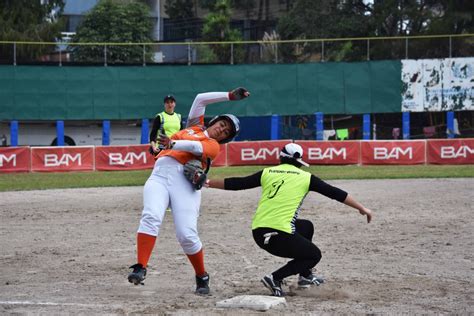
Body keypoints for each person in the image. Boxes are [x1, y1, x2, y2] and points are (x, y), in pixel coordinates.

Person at [207, 142, 373, 297]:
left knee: (306, 226)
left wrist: (206, 182)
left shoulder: (268, 172)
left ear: (281, 159)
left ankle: (305, 276)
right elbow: (335, 193)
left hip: (259, 232)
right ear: (299, 162)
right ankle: (275, 278)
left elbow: (237, 183)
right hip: (277, 237)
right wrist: (361, 208)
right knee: (314, 255)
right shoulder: (306, 177)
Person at [128, 87, 250, 295]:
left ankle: (202, 275)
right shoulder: (195, 126)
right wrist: (229, 96)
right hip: (160, 174)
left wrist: (174, 142)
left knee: (186, 234)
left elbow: (196, 149)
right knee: (151, 216)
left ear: (226, 138)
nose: (222, 129)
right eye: (222, 124)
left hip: (183, 183)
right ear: (214, 121)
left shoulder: (213, 146)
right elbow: (200, 99)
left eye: (226, 131)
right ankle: (141, 267)